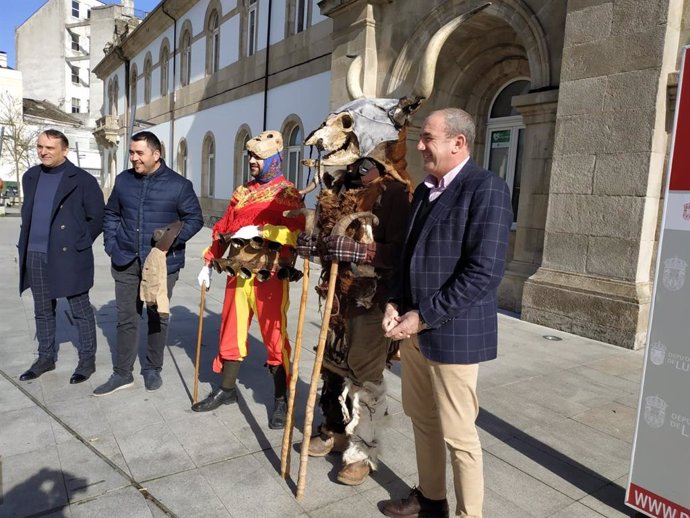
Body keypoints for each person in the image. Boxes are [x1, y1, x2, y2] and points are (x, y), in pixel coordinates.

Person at [379, 108, 513, 518]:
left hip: (453, 332)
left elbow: (483, 273)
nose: (419, 147)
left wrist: (422, 316)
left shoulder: (486, 188)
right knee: (421, 417)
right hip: (414, 328)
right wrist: (395, 302)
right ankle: (430, 500)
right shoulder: (424, 190)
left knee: (459, 435)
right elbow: (408, 256)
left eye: (428, 139)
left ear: (458, 143)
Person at [297, 157, 410, 486]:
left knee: (364, 374)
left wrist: (363, 253)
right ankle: (334, 430)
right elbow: (330, 241)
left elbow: (404, 252)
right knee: (332, 364)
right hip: (338, 297)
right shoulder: (340, 189)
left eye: (360, 162)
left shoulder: (395, 194)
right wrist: (313, 245)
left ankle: (363, 452)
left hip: (373, 301)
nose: (352, 169)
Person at [192, 130, 304, 430]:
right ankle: (227, 390)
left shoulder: (288, 193)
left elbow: (296, 232)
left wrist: (262, 232)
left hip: (269, 274)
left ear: (275, 160)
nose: (252, 161)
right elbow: (224, 227)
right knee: (231, 329)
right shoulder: (242, 192)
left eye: (258, 157)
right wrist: (208, 259)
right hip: (237, 272)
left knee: (274, 335)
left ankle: (281, 399)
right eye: (251, 156)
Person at [93, 131, 203, 396]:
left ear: (156, 154)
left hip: (162, 265)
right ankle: (122, 373)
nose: (134, 158)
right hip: (126, 259)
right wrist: (111, 244)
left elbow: (195, 219)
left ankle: (153, 368)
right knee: (126, 318)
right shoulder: (123, 181)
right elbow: (111, 214)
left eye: (139, 153)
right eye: (131, 153)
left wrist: (169, 242)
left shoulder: (179, 185)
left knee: (157, 317)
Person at [17, 129, 104, 385]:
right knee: (42, 309)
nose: (43, 152)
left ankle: (87, 360)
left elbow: (97, 217)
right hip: (35, 253)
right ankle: (45, 357)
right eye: (40, 147)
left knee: (80, 310)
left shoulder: (83, 180)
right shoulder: (30, 176)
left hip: (69, 256)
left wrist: (80, 243)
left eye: (50, 148)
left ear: (64, 150)